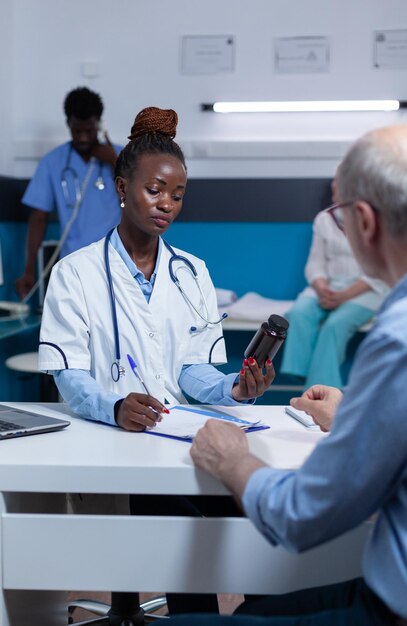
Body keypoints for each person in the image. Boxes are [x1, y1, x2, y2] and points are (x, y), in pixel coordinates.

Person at [170, 124, 407, 625]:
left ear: (364, 221)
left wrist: (233, 461)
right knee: (259, 604)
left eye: (340, 216)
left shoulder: (399, 337)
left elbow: (302, 516)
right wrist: (356, 415)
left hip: (398, 608)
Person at [38, 106, 275, 614]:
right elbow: (69, 376)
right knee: (182, 516)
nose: (166, 203)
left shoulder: (193, 273)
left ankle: (242, 617)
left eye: (177, 194)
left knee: (250, 521)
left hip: (175, 433)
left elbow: (193, 371)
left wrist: (233, 388)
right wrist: (116, 406)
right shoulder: (74, 273)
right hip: (112, 437)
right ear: (123, 188)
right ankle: (198, 617)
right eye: (154, 190)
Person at [280, 175, 389, 389]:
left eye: (341, 179)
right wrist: (321, 288)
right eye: (335, 180)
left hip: (369, 288)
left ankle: (321, 391)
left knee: (334, 326)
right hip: (329, 286)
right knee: (299, 312)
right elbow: (315, 264)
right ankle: (300, 374)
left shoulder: (378, 218)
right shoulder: (324, 219)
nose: (334, 185)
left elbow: (380, 268)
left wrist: (344, 296)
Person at [15, 86, 122, 300]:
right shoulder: (52, 162)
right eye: (77, 131)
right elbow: (38, 218)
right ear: (68, 125)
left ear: (99, 125)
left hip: (117, 264)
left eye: (89, 131)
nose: (83, 138)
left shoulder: (121, 157)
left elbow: (137, 204)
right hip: (73, 267)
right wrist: (28, 270)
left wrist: (114, 163)